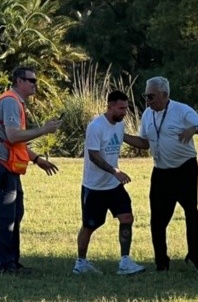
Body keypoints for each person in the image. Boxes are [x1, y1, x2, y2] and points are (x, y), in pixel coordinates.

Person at [123, 76, 198, 277]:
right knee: (157, 220)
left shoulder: (182, 110)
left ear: (165, 95)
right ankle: (161, 264)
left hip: (185, 170)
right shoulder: (148, 114)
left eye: (151, 96)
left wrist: (194, 129)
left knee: (191, 213)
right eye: (146, 96)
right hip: (161, 171)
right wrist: (121, 136)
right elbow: (144, 143)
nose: (148, 100)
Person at [0, 65, 62, 275]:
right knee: (5, 216)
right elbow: (13, 136)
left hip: (6, 166)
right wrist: (44, 129)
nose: (35, 84)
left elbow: (14, 142)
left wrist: (36, 159)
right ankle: (4, 265)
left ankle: (12, 263)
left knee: (15, 214)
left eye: (35, 80)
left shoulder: (15, 102)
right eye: (31, 80)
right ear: (18, 81)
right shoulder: (10, 102)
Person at [72, 90, 145, 276]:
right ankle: (81, 263)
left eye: (126, 109)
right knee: (89, 226)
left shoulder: (119, 125)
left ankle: (125, 261)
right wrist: (115, 171)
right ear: (110, 106)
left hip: (114, 186)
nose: (124, 113)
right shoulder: (96, 126)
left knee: (127, 217)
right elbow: (94, 156)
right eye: (121, 108)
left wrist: (149, 142)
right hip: (95, 187)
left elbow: (128, 139)